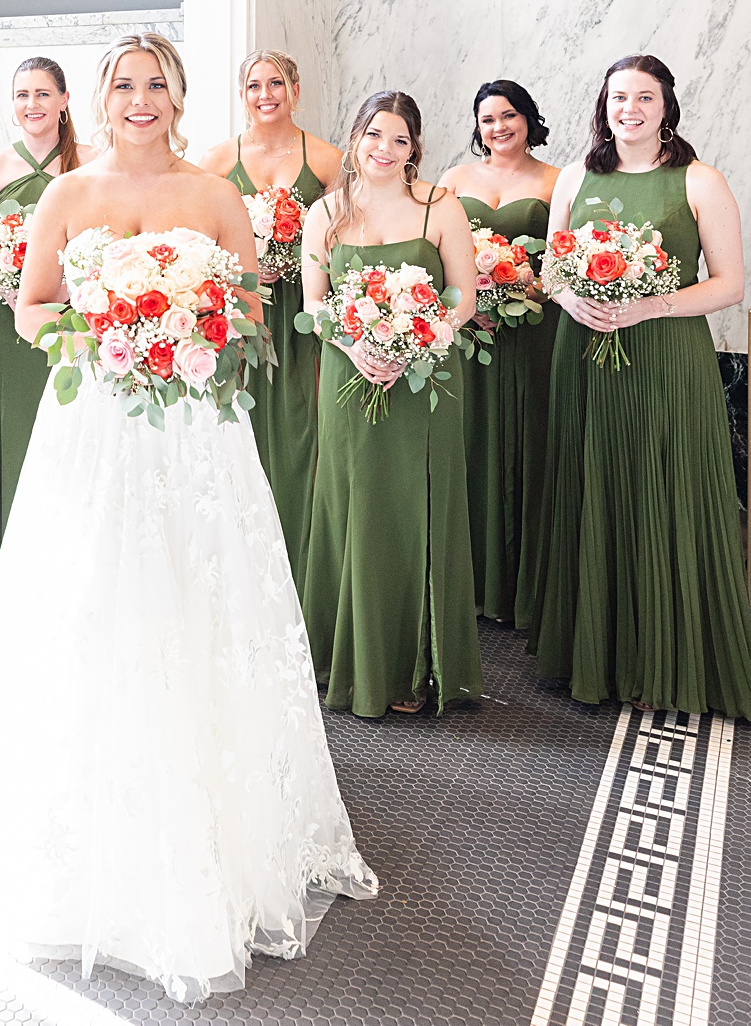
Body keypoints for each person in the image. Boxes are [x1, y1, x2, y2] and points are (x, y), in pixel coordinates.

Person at [0, 35, 376, 1001]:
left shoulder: (215, 198)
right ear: (104, 96)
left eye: (155, 83)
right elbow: (29, 310)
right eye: (122, 84)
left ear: (178, 95)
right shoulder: (65, 194)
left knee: (194, 603)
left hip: (198, 435)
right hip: (92, 425)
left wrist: (183, 330)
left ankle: (220, 829)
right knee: (90, 606)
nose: (139, 98)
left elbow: (250, 308)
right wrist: (109, 332)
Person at [528, 54, 751, 716]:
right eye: (618, 97)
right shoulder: (574, 176)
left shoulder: (699, 180)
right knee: (592, 486)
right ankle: (593, 656)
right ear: (604, 105)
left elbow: (730, 283)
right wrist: (573, 303)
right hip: (585, 357)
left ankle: (671, 658)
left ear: (666, 107)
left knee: (665, 489)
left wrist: (648, 305)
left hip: (667, 359)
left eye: (644, 98)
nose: (630, 108)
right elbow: (551, 271)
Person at [301, 91, 482, 717]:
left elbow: (464, 299)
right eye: (375, 135)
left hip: (425, 384)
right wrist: (357, 348)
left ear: (415, 150)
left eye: (400, 141)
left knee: (416, 508)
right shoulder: (324, 212)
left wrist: (416, 340)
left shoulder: (440, 207)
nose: (385, 149)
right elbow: (314, 307)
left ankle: (414, 668)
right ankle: (344, 662)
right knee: (354, 507)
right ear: (355, 138)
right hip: (349, 379)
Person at [0, 57, 93, 629]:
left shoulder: (88, 165)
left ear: (64, 98)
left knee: (68, 434)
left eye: (41, 93)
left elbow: (102, 244)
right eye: (20, 95)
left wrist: (60, 293)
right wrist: (11, 289)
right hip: (1, 322)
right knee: (0, 431)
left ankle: (61, 584)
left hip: (70, 322)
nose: (31, 104)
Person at [200, 51, 341, 592]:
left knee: (303, 430)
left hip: (300, 314)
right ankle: (237, 564)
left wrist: (292, 259)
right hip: (239, 313)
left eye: (276, 83)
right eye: (254, 85)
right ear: (242, 94)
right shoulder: (216, 160)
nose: (266, 94)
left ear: (296, 88)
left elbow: (339, 239)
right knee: (239, 428)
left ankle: (303, 563)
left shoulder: (327, 160)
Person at [440, 81, 559, 629]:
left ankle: (524, 589)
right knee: (469, 441)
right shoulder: (454, 181)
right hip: (469, 334)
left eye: (509, 116)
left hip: (533, 331)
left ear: (529, 119)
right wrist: (471, 295)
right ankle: (469, 583)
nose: (499, 128)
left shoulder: (557, 181)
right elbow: (434, 250)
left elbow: (566, 263)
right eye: (487, 119)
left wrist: (520, 289)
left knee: (527, 442)